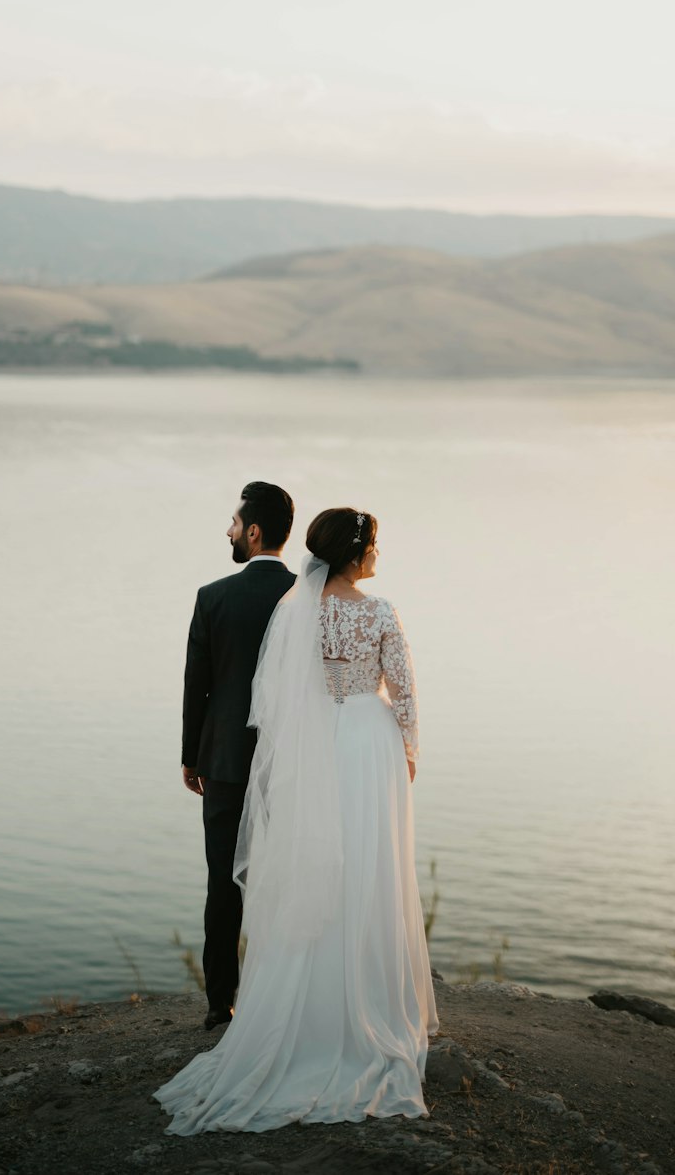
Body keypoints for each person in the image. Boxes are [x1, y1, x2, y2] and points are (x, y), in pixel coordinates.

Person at [154, 506, 438, 1134]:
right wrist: (408, 751)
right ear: (357, 551)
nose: (379, 558)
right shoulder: (381, 610)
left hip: (319, 749)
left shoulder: (297, 611)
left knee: (319, 861)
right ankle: (367, 1003)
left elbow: (277, 698)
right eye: (375, 547)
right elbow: (407, 694)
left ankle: (294, 1005)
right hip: (369, 742)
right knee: (370, 865)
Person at [181, 481, 296, 1030]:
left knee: (222, 883)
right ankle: (285, 992)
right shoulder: (306, 598)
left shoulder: (213, 596)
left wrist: (190, 756)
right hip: (292, 763)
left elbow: (197, 686)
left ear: (253, 532)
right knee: (291, 876)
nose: (227, 530)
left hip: (224, 761)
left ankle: (220, 1004)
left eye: (232, 521)